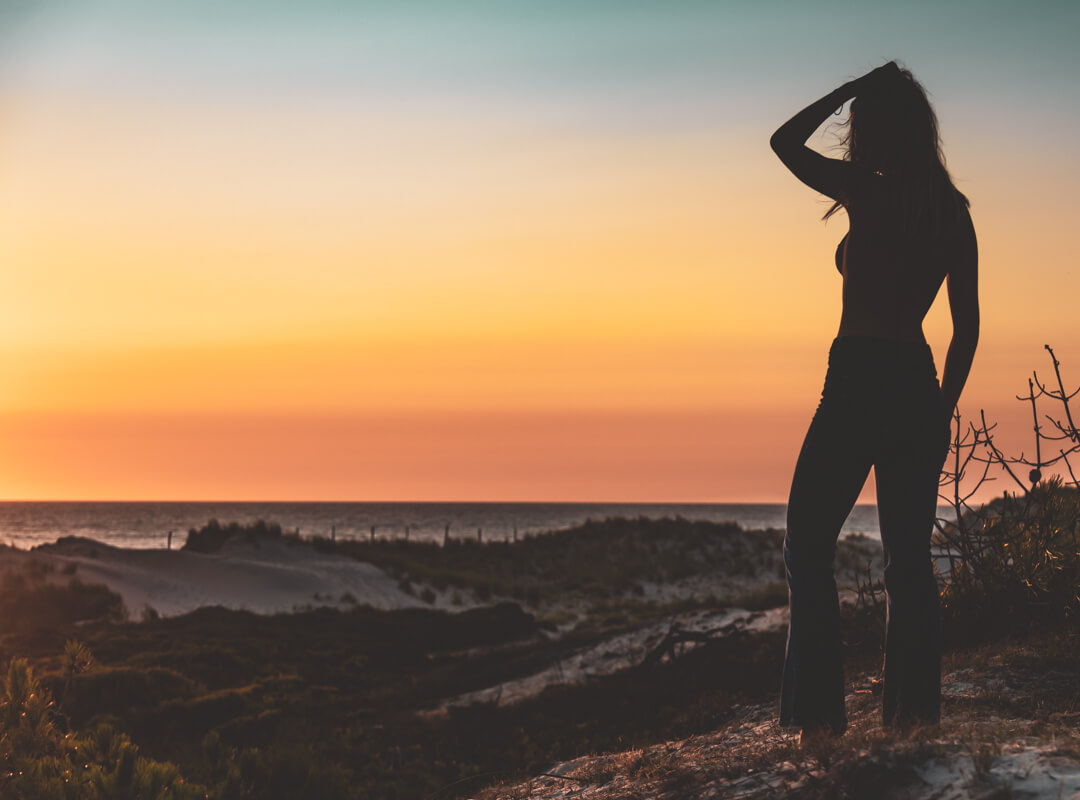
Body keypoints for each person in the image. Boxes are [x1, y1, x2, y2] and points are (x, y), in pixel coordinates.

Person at [769, 61, 979, 740]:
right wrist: (942, 410)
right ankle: (912, 725)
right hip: (915, 381)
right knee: (908, 565)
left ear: (878, 127)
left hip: (858, 376)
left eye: (861, 121)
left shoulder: (866, 188)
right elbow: (967, 326)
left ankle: (818, 725)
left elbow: (783, 142)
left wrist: (844, 86)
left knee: (806, 546)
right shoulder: (951, 210)